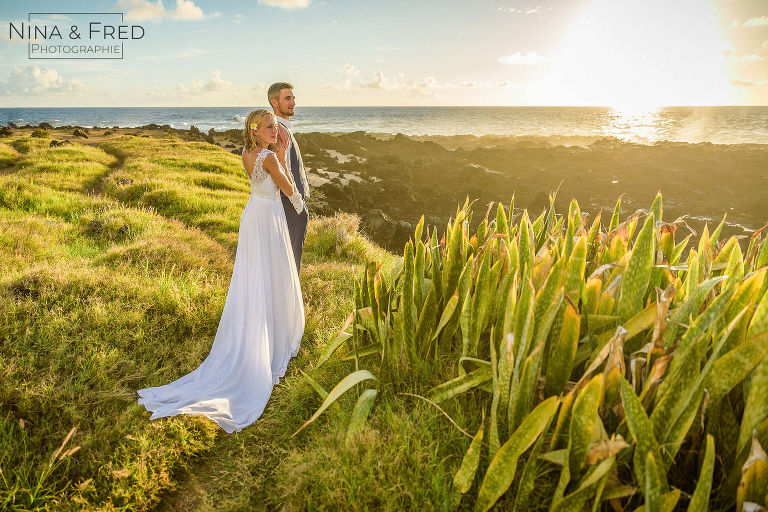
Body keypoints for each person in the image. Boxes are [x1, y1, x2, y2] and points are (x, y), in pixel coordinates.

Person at [137, 110, 306, 433]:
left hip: (253, 215)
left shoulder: (247, 153)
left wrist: (277, 154)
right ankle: (273, 336)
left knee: (254, 275)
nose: (276, 130)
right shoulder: (269, 155)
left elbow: (263, 181)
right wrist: (299, 202)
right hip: (268, 219)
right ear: (256, 132)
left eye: (276, 127)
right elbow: (286, 188)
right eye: (271, 127)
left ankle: (263, 327)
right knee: (271, 274)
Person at [269, 82, 310, 272]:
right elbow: (282, 168)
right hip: (291, 205)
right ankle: (291, 297)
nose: (293, 102)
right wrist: (297, 201)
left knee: (289, 254)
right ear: (274, 102)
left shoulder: (282, 128)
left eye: (293, 98)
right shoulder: (279, 131)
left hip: (290, 203)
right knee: (292, 258)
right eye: (287, 98)